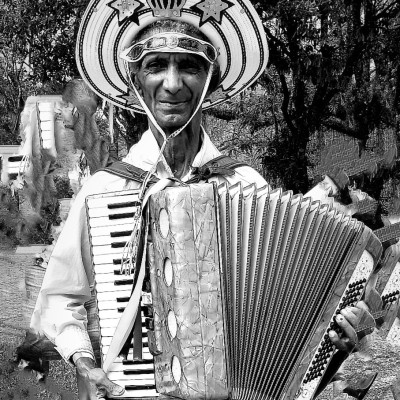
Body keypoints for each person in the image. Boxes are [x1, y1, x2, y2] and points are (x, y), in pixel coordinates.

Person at [30, 0, 369, 398]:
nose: (173, 84)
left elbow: (294, 318)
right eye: (156, 65)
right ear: (137, 80)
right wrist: (84, 364)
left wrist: (338, 340)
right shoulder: (104, 192)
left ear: (209, 79)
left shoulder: (245, 185)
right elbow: (60, 300)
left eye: (189, 66)